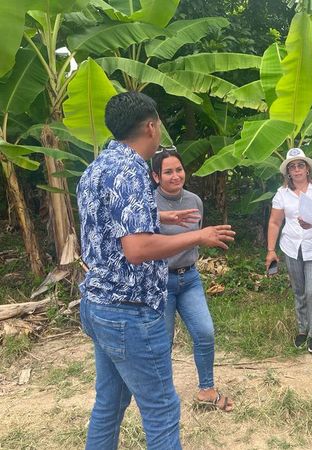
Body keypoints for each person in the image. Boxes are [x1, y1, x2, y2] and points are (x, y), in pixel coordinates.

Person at [77, 91, 235, 450]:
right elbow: (137, 249)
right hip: (128, 311)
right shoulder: (131, 170)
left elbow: (109, 220)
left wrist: (160, 216)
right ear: (151, 127)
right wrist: (199, 235)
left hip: (97, 304)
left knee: (109, 404)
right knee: (162, 409)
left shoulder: (97, 167)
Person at [150, 148, 234, 412]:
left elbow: (196, 238)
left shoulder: (194, 201)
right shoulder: (148, 204)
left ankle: (206, 389)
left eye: (179, 170)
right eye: (168, 172)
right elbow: (148, 245)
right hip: (160, 282)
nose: (176, 176)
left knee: (205, 332)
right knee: (162, 342)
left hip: (189, 278)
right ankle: (162, 396)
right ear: (156, 176)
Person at [265, 148, 312, 353]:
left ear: (307, 169)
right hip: (292, 247)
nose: (297, 170)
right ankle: (302, 329)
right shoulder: (282, 193)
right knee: (299, 291)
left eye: (300, 165)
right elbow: (274, 222)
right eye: (292, 167)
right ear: (288, 172)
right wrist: (271, 250)